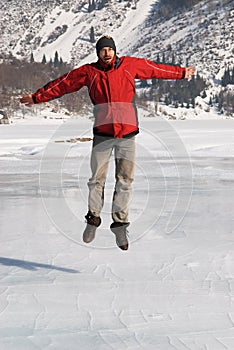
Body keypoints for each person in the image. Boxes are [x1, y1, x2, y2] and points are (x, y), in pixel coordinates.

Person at [20, 35, 195, 251]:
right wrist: (37, 97)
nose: (106, 53)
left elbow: (155, 69)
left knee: (125, 180)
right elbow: (62, 84)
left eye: (110, 49)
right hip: (103, 134)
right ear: (98, 53)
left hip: (127, 134)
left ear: (114, 51)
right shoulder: (88, 72)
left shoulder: (130, 65)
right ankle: (93, 220)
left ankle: (120, 226)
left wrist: (181, 73)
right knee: (96, 180)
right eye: (103, 50)